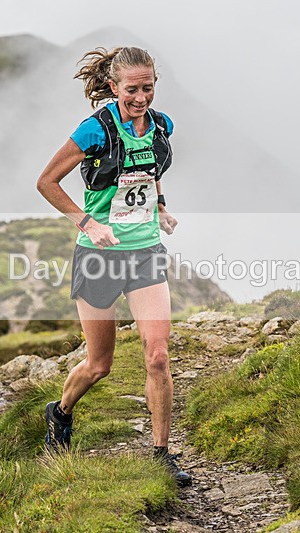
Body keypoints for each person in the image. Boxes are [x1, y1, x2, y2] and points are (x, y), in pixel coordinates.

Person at [36, 46, 191, 487]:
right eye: (132, 90)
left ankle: (161, 455)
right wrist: (88, 223)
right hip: (98, 257)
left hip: (144, 253)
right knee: (99, 365)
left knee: (157, 356)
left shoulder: (162, 125)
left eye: (148, 88)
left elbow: (150, 170)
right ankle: (60, 412)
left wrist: (161, 207)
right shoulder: (94, 130)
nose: (141, 98)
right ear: (113, 86)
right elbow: (46, 182)